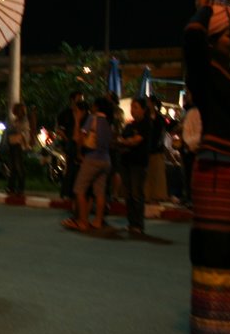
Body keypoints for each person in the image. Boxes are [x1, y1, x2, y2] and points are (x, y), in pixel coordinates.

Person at [183, 0, 230, 334]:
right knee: (214, 246)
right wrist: (206, 6)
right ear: (213, 40)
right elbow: (190, 34)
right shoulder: (204, 73)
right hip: (214, 170)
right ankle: (210, 330)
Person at [61, 96, 114, 231]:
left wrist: (79, 153)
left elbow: (81, 137)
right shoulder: (109, 122)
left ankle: (82, 221)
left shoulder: (93, 118)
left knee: (79, 189)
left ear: (97, 107)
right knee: (100, 192)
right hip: (106, 160)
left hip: (92, 158)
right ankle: (97, 221)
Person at [117, 96, 152, 236]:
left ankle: (138, 224)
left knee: (137, 194)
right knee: (128, 194)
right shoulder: (130, 125)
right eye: (132, 107)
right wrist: (125, 141)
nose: (132, 110)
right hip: (126, 162)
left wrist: (126, 141)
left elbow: (134, 141)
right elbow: (121, 139)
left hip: (138, 163)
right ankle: (131, 223)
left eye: (135, 107)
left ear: (143, 109)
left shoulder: (146, 124)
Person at [56, 91, 84, 201]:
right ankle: (67, 191)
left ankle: (72, 191)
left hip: (80, 143)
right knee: (71, 167)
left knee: (77, 168)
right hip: (69, 144)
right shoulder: (65, 114)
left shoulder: (83, 113)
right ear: (72, 100)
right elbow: (60, 130)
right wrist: (67, 140)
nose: (81, 101)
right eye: (79, 99)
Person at [144, 94, 169, 203]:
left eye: (148, 102)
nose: (147, 104)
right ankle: (147, 195)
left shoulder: (159, 118)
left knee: (156, 174)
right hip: (148, 149)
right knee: (148, 174)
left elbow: (161, 134)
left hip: (156, 150)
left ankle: (156, 196)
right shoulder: (146, 116)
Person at [5, 102, 31, 196]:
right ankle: (12, 187)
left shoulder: (22, 121)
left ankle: (18, 188)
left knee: (17, 166)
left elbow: (22, 133)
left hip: (18, 145)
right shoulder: (16, 120)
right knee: (13, 167)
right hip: (14, 144)